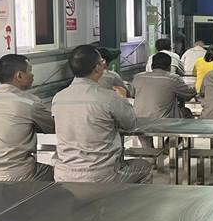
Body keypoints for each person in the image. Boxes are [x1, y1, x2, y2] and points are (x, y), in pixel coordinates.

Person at [52, 45, 152, 183]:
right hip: (101, 174)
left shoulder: (58, 98)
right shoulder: (109, 97)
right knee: (145, 167)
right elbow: (130, 125)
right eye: (102, 61)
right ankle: (121, 198)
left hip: (63, 174)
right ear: (97, 68)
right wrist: (123, 99)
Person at [0, 54, 55, 181]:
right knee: (60, 171)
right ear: (19, 76)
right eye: (30, 71)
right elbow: (54, 127)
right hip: (18, 174)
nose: (32, 75)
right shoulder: (29, 102)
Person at [132, 53, 197, 119]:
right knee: (186, 112)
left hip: (138, 120)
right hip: (163, 121)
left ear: (151, 66)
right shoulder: (173, 79)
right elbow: (189, 93)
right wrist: (196, 86)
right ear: (169, 67)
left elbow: (133, 95)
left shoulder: (138, 77)